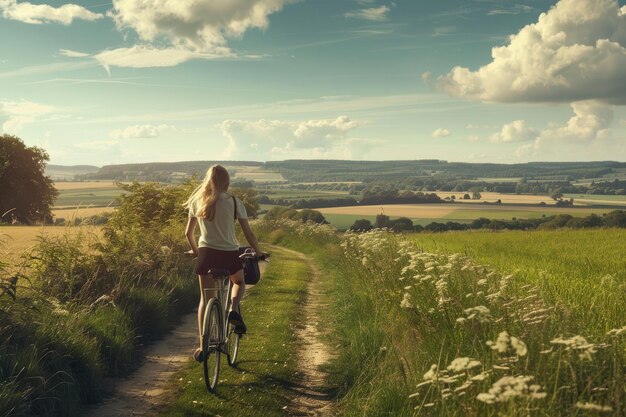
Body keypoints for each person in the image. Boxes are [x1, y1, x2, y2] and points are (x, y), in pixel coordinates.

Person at [183, 164, 266, 362]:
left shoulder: (198, 201)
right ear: (227, 181)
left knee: (205, 298)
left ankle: (203, 347)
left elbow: (188, 233)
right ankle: (233, 308)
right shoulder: (235, 202)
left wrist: (195, 252)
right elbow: (249, 233)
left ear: (208, 180)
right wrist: (258, 251)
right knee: (238, 282)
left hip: (206, 254)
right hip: (229, 253)